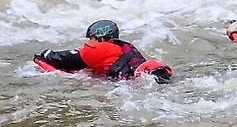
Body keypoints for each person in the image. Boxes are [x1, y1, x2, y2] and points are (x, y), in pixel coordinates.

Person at [34, 20, 172, 83]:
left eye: (91, 38)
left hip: (134, 85)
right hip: (149, 78)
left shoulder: (101, 48)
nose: (88, 43)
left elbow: (65, 60)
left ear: (99, 38)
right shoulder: (124, 46)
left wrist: (45, 54)